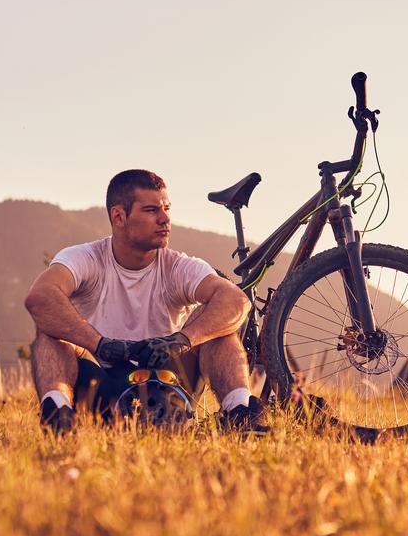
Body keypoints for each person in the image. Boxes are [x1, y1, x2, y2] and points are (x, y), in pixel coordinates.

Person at [24, 168, 265, 433]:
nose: (165, 219)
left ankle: (241, 414)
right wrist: (102, 345)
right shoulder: (85, 258)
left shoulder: (177, 265)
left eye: (167, 208)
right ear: (119, 216)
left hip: (169, 382)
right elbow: (41, 297)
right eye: (151, 210)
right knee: (50, 331)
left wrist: (181, 340)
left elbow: (236, 300)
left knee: (219, 326)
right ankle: (58, 417)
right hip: (103, 386)